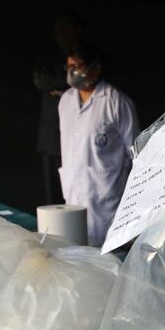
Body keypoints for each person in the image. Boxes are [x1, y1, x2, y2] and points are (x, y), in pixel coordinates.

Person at [57, 41, 139, 247]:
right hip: (73, 197)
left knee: (109, 256)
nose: (72, 72)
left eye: (77, 66)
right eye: (69, 66)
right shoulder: (65, 100)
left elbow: (137, 153)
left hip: (106, 198)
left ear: (95, 68)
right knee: (76, 252)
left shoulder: (116, 101)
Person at [32, 12, 83, 204]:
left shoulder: (83, 53)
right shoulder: (48, 55)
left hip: (81, 131)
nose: (63, 35)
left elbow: (89, 80)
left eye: (67, 29)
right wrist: (71, 85)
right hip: (52, 132)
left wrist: (63, 89)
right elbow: (41, 81)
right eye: (59, 30)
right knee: (52, 191)